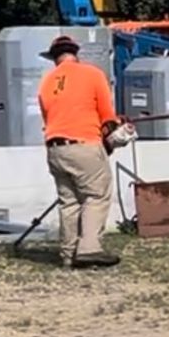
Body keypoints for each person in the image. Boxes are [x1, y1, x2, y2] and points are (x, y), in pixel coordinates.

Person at [36, 35, 120, 269]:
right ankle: (90, 248)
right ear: (76, 54)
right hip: (84, 142)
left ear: (54, 58)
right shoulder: (92, 74)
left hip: (55, 148)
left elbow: (48, 117)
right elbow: (107, 114)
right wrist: (111, 138)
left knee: (69, 202)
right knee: (95, 196)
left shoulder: (47, 82)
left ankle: (67, 254)